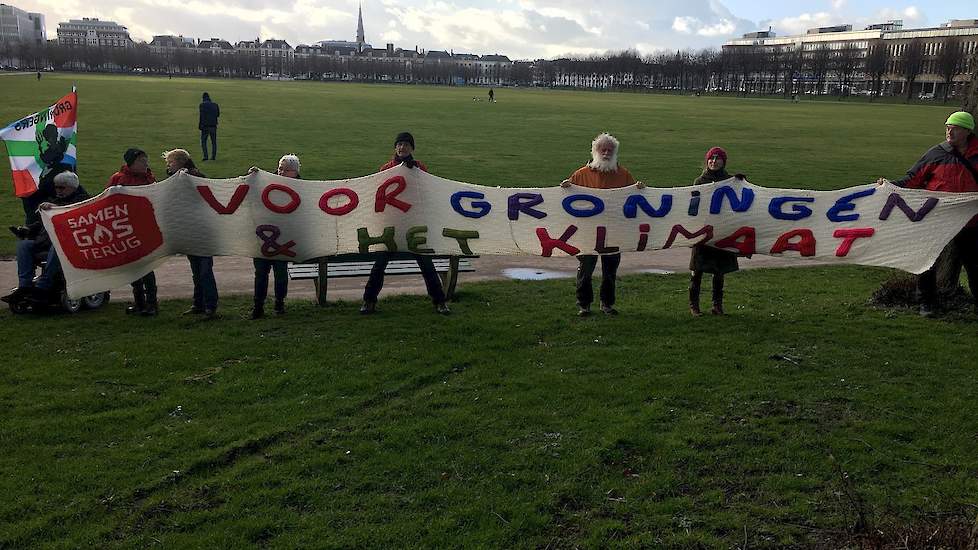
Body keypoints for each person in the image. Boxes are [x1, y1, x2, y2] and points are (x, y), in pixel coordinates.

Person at [879, 111, 978, 316]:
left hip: (970, 221)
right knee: (928, 261)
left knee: (974, 265)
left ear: (967, 132)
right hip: (937, 218)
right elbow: (912, 179)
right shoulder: (936, 153)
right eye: (948, 127)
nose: (950, 131)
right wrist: (889, 186)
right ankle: (927, 302)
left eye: (955, 128)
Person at [361, 132, 450, 315]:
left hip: (413, 226)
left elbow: (426, 193)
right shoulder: (386, 168)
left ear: (412, 148)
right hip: (391, 227)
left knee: (427, 265)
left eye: (406, 145)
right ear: (395, 147)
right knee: (379, 265)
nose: (402, 148)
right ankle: (369, 301)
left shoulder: (419, 168)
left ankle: (440, 301)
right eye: (400, 144)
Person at [560, 132, 644, 316]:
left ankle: (607, 303)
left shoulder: (623, 175)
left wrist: (640, 190)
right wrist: (565, 188)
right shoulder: (580, 175)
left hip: (614, 232)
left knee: (610, 270)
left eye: (610, 150)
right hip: (587, 232)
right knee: (585, 269)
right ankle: (584, 304)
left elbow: (634, 199)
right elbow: (568, 200)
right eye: (603, 150)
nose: (606, 153)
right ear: (595, 151)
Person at [9, 172, 90, 302]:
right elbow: (42, 223)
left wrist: (56, 208)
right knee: (24, 245)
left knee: (57, 246)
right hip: (48, 241)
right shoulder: (54, 201)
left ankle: (43, 287)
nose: (58, 190)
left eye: (62, 188)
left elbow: (75, 215)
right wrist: (28, 229)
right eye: (56, 187)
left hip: (72, 245)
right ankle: (25, 286)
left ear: (72, 187)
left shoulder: (83, 202)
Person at [163, 148, 219, 317]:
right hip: (190, 231)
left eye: (171, 162)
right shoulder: (175, 178)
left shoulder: (196, 177)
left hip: (202, 232)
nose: (168, 165)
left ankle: (210, 305)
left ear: (180, 161)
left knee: (204, 270)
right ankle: (199, 304)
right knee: (197, 271)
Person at [689, 147, 740, 316]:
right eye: (711, 158)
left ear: (723, 161)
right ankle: (694, 306)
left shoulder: (730, 181)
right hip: (703, 230)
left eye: (718, 158)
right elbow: (694, 206)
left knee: (719, 270)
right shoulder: (700, 181)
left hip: (722, 230)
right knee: (697, 269)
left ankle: (717, 305)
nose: (714, 161)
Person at [248, 154, 300, 319]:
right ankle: (258, 305)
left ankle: (279, 303)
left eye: (286, 170)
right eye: (280, 169)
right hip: (263, 237)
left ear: (295, 172)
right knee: (261, 273)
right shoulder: (265, 182)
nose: (282, 173)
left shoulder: (302, 187)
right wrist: (252, 176)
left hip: (283, 238)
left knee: (280, 273)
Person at [109, 148, 159, 316]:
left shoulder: (149, 179)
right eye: (141, 161)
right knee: (132, 268)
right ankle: (140, 303)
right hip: (126, 229)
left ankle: (151, 304)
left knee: (145, 267)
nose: (146, 164)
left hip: (144, 229)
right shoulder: (118, 179)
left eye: (146, 161)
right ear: (131, 163)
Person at [199, 92, 220, 161]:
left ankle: (205, 156)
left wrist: (200, 125)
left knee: (203, 142)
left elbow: (201, 116)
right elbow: (218, 115)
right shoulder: (215, 105)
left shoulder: (202, 105)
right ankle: (213, 157)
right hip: (213, 125)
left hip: (205, 126)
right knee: (213, 142)